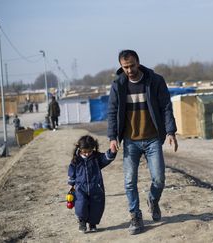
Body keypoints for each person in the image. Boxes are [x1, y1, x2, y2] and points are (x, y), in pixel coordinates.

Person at [107, 50, 178, 235]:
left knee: (159, 179)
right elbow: (112, 112)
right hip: (130, 141)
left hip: (153, 138)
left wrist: (171, 131)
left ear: (138, 62)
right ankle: (136, 217)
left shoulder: (155, 81)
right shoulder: (118, 84)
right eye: (125, 67)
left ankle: (153, 200)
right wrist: (112, 137)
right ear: (121, 66)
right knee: (129, 181)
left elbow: (166, 107)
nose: (129, 70)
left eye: (131, 65)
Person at [67, 135, 117, 233]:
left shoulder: (96, 157)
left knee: (96, 206)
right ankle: (82, 222)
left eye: (89, 151)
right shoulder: (76, 160)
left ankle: (92, 223)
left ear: (93, 148)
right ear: (79, 149)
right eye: (84, 152)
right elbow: (71, 172)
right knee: (81, 204)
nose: (87, 154)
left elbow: (106, 158)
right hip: (80, 188)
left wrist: (112, 152)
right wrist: (71, 184)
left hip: (96, 187)